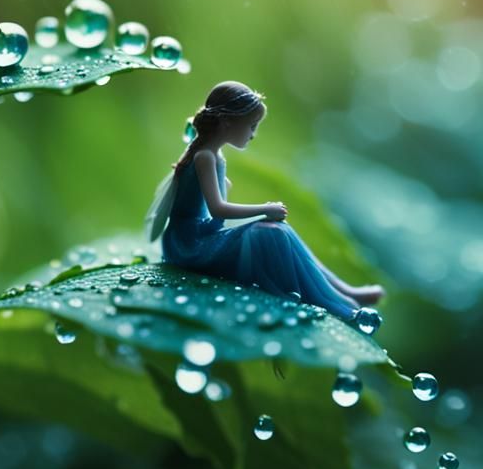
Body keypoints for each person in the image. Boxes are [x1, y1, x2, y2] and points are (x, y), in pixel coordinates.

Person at [143, 80, 384, 323]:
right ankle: (336, 305)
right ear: (228, 122)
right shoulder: (204, 157)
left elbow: (216, 220)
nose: (253, 134)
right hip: (188, 245)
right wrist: (264, 210)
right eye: (251, 126)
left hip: (201, 235)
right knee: (271, 234)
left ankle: (344, 292)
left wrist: (257, 211)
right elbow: (217, 212)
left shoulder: (217, 158)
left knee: (279, 229)